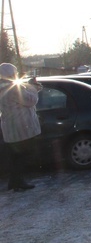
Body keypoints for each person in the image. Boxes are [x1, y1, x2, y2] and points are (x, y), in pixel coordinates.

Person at [0, 63, 41, 191]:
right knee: (24, 153)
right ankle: (18, 182)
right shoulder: (12, 89)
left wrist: (31, 88)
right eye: (15, 73)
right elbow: (30, 100)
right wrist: (33, 88)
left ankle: (14, 181)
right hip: (21, 127)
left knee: (16, 156)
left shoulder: (3, 87)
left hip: (10, 127)